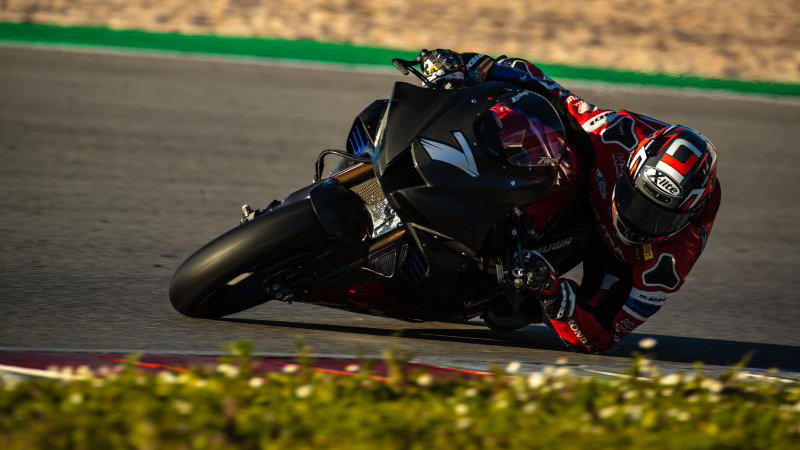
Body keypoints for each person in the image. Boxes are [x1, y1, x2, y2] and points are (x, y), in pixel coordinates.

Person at [420, 49, 722, 353]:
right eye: (637, 199)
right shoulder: (613, 134)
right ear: (630, 166)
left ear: (688, 214)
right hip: (585, 191)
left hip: (614, 256)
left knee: (512, 313)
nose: (639, 219)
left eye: (660, 217)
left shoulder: (667, 264)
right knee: (536, 123)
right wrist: (467, 66)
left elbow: (602, 336)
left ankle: (499, 279)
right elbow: (546, 88)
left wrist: (552, 294)